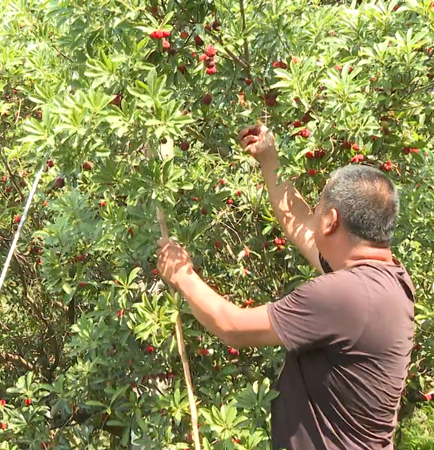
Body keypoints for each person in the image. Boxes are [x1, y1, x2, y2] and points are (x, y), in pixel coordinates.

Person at [155, 124, 415, 450]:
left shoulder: (344, 296)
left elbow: (233, 327)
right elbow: (302, 227)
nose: (314, 212)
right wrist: (269, 160)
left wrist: (182, 275)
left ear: (331, 221)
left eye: (319, 205)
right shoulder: (387, 279)